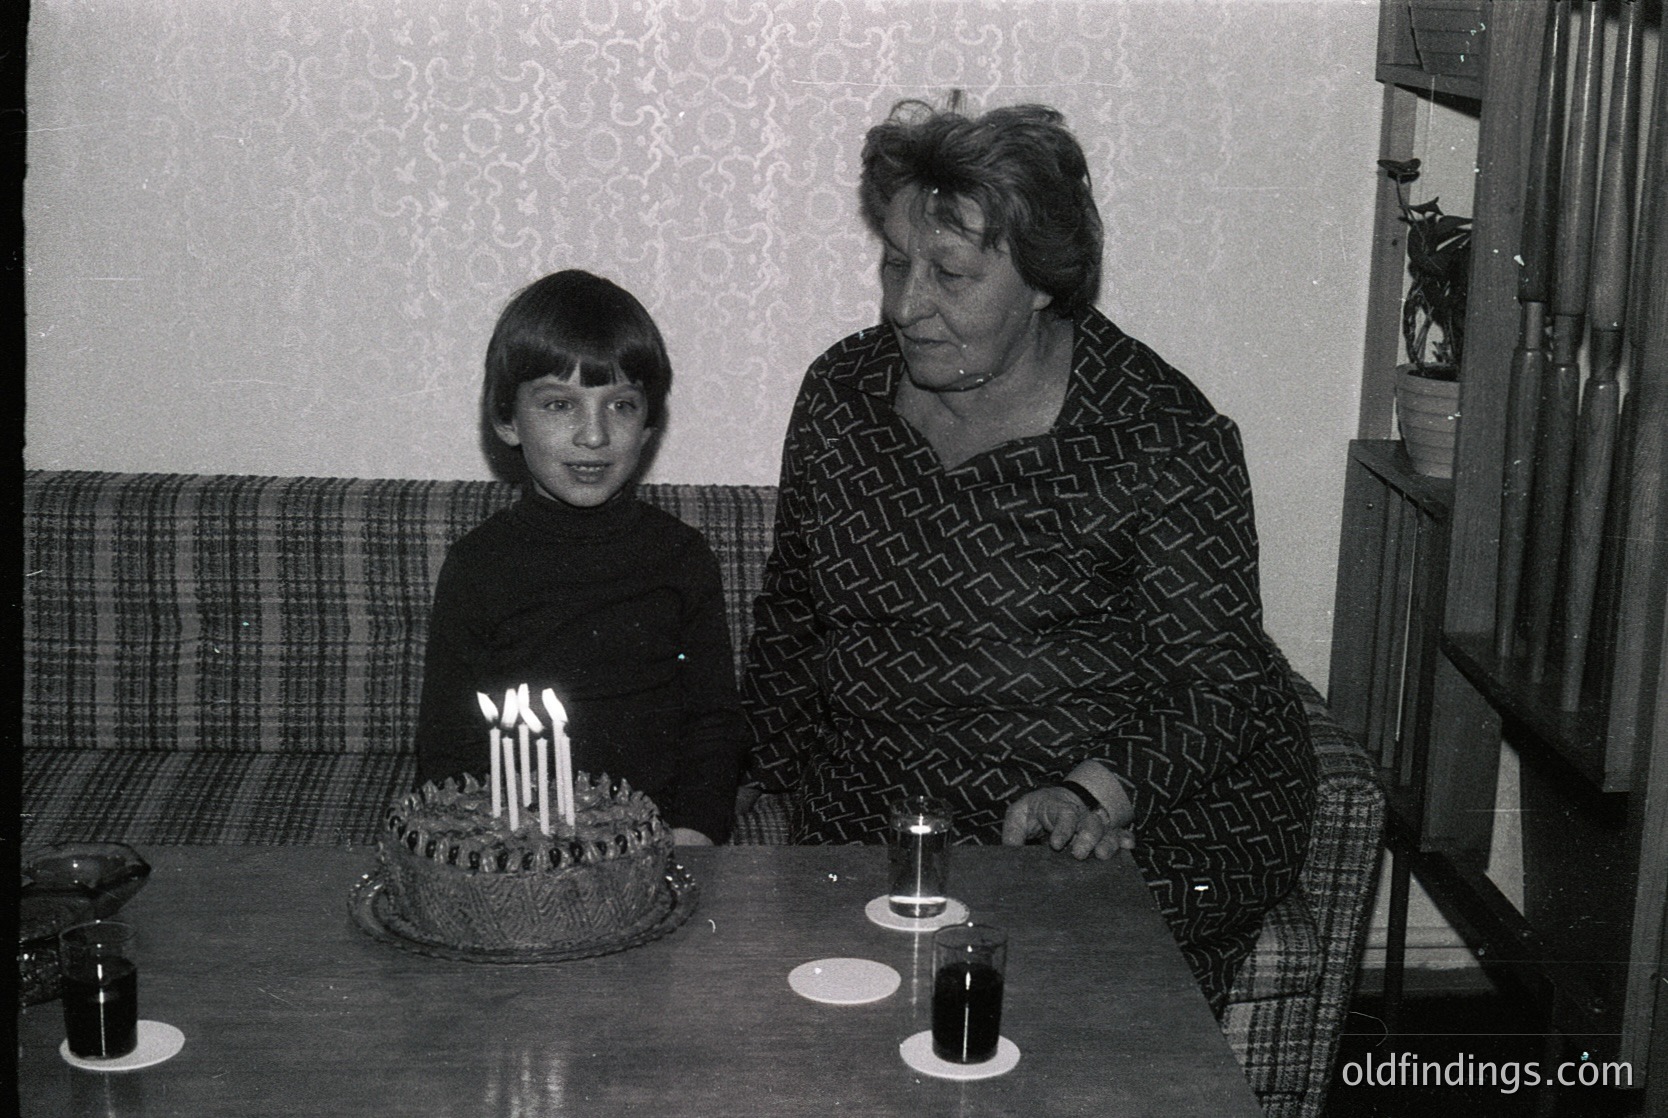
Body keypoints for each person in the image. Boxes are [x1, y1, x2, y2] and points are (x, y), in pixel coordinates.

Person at [741, 99, 1315, 1013]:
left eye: (951, 274)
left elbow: (1218, 681)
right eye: (895, 261)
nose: (903, 303)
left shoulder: (1160, 432)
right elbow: (791, 618)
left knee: (1066, 1019)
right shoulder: (841, 395)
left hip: (1107, 809)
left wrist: (1095, 793)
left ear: (1045, 281)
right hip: (895, 805)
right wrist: (789, 794)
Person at [415, 269, 744, 845]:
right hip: (519, 841)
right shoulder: (478, 565)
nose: (593, 436)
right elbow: (449, 744)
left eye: (619, 405)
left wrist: (693, 836)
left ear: (649, 425)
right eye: (559, 404)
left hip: (656, 838)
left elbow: (712, 726)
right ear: (506, 420)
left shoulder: (682, 557)